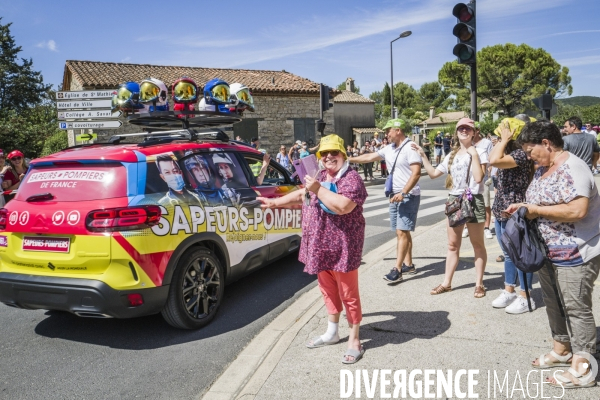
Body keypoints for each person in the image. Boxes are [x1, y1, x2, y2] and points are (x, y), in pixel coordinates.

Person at [505, 120, 600, 389]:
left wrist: (535, 211)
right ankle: (562, 350)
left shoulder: (573, 167)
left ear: (546, 143)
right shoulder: (543, 168)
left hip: (576, 251)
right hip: (548, 250)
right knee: (554, 301)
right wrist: (523, 207)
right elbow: (539, 201)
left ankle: (584, 369)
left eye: (529, 150)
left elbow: (577, 210)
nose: (528, 156)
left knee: (576, 308)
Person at [257, 134, 368, 364]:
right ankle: (332, 331)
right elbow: (302, 194)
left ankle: (354, 339)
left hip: (343, 247)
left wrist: (317, 188)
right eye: (324, 153)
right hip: (320, 245)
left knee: (348, 294)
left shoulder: (352, 178)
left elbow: (343, 206)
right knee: (327, 289)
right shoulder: (320, 175)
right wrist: (274, 202)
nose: (329, 157)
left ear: (343, 155)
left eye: (334, 153)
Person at [412, 118, 488, 298]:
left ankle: (479, 284)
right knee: (453, 245)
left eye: (468, 128)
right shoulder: (451, 155)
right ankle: (447, 283)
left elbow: (478, 178)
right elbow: (433, 174)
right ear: (456, 132)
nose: (464, 131)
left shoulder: (481, 152)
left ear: (473, 132)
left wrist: (474, 155)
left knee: (477, 245)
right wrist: (423, 155)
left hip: (473, 199)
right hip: (455, 200)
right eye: (461, 128)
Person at [349, 118, 422, 282]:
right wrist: (348, 159)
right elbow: (368, 157)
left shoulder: (410, 148)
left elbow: (416, 173)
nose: (386, 133)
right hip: (394, 195)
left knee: (402, 232)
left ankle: (397, 269)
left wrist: (403, 192)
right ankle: (408, 264)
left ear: (398, 130)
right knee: (402, 231)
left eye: (388, 130)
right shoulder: (389, 149)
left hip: (407, 195)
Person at [488, 117, 536, 314]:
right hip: (501, 207)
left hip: (515, 210)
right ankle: (509, 289)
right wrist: (502, 142)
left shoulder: (522, 155)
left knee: (521, 254)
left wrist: (503, 140)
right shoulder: (511, 152)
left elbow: (493, 160)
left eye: (502, 132)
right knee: (508, 252)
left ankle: (525, 295)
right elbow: (492, 159)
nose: (498, 135)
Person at [463, 123, 494, 239]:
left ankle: (486, 228)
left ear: (477, 130)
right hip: (468, 181)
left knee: (485, 204)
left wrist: (489, 174)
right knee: (466, 204)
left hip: (482, 179)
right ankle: (467, 227)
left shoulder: (486, 143)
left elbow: (490, 160)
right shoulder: (467, 143)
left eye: (473, 130)